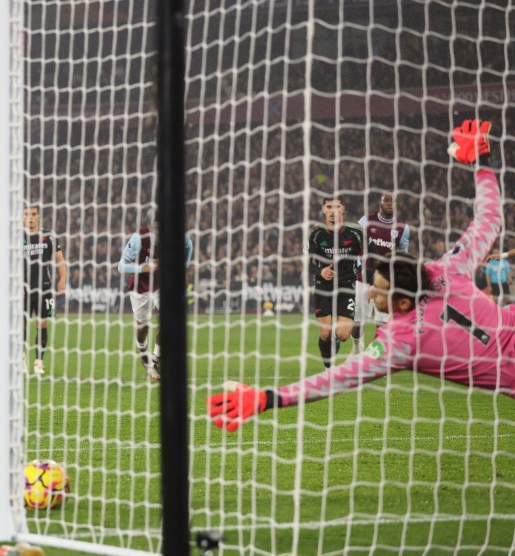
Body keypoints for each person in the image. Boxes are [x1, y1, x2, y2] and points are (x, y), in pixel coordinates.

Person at [208, 119, 514, 432]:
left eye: (380, 292)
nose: (371, 293)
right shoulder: (449, 267)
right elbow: (489, 217)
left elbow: (336, 380)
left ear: (404, 304)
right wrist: (482, 161)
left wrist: (268, 398)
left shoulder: (401, 342)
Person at [117, 210, 193, 381]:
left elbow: (189, 245)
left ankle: (155, 359)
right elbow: (121, 267)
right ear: (152, 226)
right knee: (142, 327)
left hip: (163, 284)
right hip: (140, 286)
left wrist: (184, 267)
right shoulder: (139, 239)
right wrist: (143, 268)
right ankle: (142, 348)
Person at [307, 197, 364, 367]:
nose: (333, 211)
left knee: (343, 334)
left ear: (343, 209)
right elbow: (308, 262)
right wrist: (320, 271)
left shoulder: (356, 232)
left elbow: (372, 255)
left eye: (336, 207)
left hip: (346, 286)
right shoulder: (315, 233)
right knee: (324, 333)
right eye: (329, 207)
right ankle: (328, 368)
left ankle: (335, 339)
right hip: (323, 287)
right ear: (324, 209)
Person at [352, 191, 411, 350]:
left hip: (386, 281)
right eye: (387, 200)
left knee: (382, 322)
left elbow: (403, 254)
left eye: (393, 201)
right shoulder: (366, 221)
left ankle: (376, 355)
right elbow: (354, 244)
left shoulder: (402, 228)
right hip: (363, 277)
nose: (390, 204)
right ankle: (357, 347)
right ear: (380, 202)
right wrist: (357, 265)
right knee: (358, 321)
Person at [22, 204, 66, 375]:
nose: (30, 217)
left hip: (44, 288)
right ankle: (21, 359)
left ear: (38, 216)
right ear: (22, 217)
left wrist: (62, 278)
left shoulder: (48, 236)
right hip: (23, 289)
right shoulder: (16, 236)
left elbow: (60, 260)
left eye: (33, 214)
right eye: (27, 214)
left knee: (42, 323)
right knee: (22, 325)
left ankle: (38, 362)